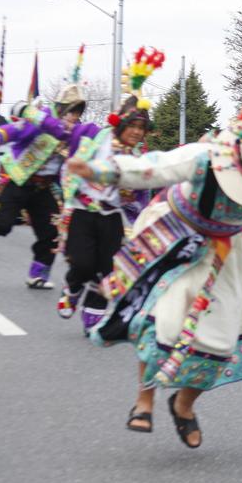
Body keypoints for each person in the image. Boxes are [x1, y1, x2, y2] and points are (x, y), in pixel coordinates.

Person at [68, 90, 242, 448]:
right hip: (174, 237)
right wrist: (101, 169)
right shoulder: (206, 157)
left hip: (225, 254)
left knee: (222, 339)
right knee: (160, 319)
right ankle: (143, 399)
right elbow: (154, 167)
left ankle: (183, 404)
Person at [0, 58, 101, 288]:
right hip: (19, 182)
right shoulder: (39, 122)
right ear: (61, 109)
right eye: (71, 111)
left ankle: (38, 274)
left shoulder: (73, 134)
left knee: (50, 234)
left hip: (44, 189)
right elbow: (9, 131)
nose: (74, 116)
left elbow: (90, 145)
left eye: (78, 112)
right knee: (4, 223)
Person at [57, 92, 155, 333]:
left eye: (141, 128)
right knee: (82, 263)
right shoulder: (92, 135)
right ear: (120, 122)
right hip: (82, 211)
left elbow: (139, 197)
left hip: (110, 217)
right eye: (132, 125)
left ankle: (93, 313)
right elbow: (61, 133)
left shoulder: (137, 159)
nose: (136, 132)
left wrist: (131, 196)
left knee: (108, 269)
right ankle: (73, 289)